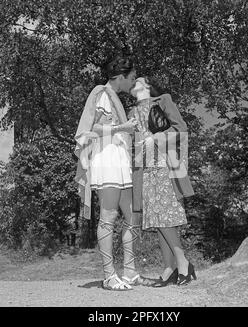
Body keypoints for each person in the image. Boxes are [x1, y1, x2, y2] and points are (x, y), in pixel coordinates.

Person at [74, 56, 150, 291]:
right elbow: (92, 128)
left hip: (120, 160)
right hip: (106, 159)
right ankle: (109, 275)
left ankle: (130, 272)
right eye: (132, 78)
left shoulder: (115, 98)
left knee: (131, 216)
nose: (133, 82)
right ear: (121, 76)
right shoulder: (101, 93)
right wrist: (122, 127)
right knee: (108, 217)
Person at [129, 76, 196, 286]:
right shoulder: (130, 113)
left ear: (147, 85)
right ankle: (169, 268)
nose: (133, 82)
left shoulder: (163, 100)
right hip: (144, 170)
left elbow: (181, 129)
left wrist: (155, 138)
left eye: (137, 80)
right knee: (158, 220)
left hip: (165, 166)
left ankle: (182, 262)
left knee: (165, 217)